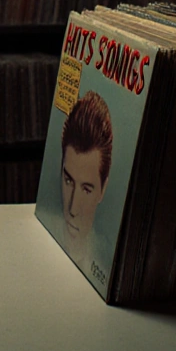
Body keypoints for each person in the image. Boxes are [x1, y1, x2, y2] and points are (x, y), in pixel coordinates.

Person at [58, 90, 114, 274]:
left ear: (103, 189)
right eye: (68, 180)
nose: (73, 209)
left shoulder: (107, 261)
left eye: (87, 190)